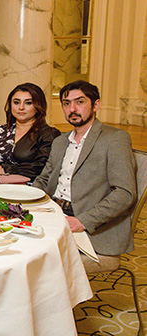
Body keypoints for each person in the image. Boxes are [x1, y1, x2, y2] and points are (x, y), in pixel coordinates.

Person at [32, 81, 137, 268]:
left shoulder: (114, 139)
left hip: (89, 224)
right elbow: (44, 179)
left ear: (96, 105)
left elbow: (124, 193)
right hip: (53, 212)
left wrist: (83, 221)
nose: (72, 109)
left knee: (35, 257)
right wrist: (25, 200)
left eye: (79, 102)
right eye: (66, 103)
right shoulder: (60, 141)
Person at [0, 83, 61, 181]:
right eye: (16, 102)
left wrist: (5, 169)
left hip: (29, 186)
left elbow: (42, 167)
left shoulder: (48, 134)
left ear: (38, 106)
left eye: (28, 103)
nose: (21, 107)